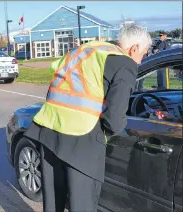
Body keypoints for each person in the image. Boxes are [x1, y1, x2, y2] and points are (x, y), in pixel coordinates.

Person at [23, 23, 152, 212]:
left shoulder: (88, 50)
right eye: (144, 54)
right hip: (82, 142)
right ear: (135, 48)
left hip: (49, 132)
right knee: (81, 205)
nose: (141, 60)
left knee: (53, 204)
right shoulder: (125, 64)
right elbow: (114, 120)